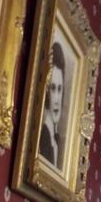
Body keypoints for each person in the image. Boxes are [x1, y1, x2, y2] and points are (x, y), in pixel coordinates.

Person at [39, 41, 66, 169]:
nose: (57, 100)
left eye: (60, 89)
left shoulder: (54, 139)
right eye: (53, 88)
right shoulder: (43, 136)